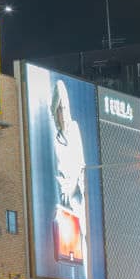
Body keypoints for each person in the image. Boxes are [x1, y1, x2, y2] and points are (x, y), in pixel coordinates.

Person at [49, 76, 89, 267]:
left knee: (84, 237)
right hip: (63, 197)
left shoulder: (74, 128)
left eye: (65, 109)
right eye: (59, 110)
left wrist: (74, 187)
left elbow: (81, 165)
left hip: (77, 194)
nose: (63, 114)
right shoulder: (54, 138)